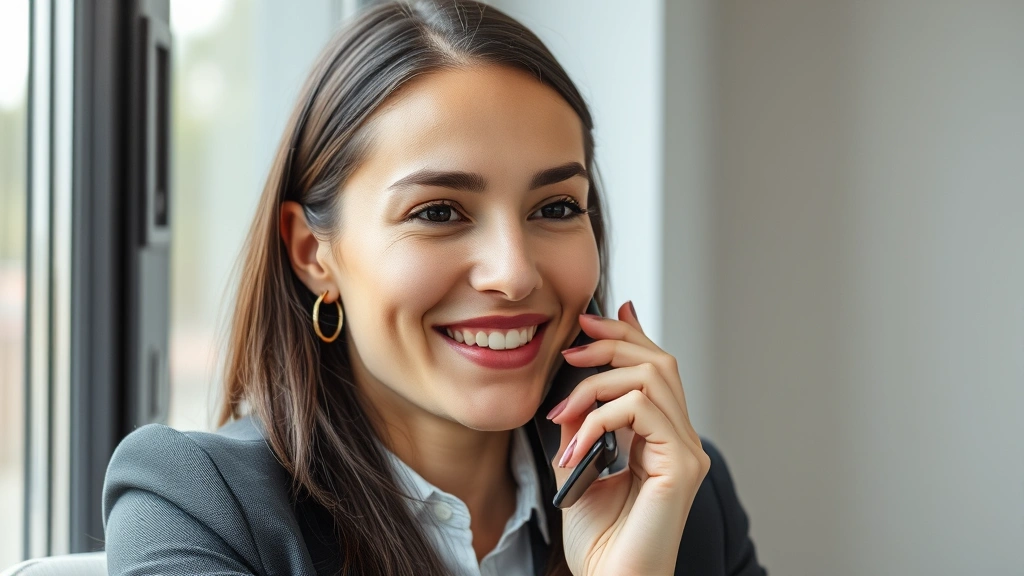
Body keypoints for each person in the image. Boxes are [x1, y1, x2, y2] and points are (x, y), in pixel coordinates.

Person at [102, 1, 767, 575]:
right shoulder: (195, 509)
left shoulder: (680, 495)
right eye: (439, 212)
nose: (512, 273)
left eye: (557, 208)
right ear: (313, 254)